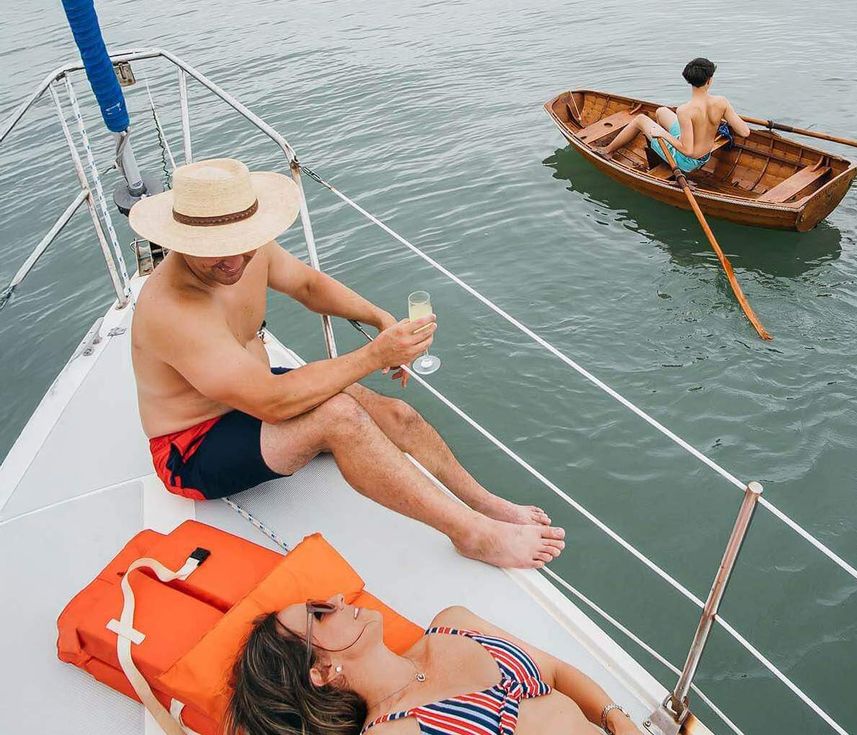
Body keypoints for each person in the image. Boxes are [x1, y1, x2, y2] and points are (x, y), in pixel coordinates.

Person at [128, 158, 564, 569]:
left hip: (253, 393)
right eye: (217, 251)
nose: (236, 262)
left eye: (243, 246)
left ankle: (485, 503)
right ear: (181, 241)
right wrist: (377, 354)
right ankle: (471, 533)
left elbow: (306, 284)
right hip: (194, 446)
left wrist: (378, 319)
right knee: (341, 416)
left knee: (396, 414)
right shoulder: (174, 310)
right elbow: (273, 404)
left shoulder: (243, 247)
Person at [227, 594, 645, 735]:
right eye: (319, 613)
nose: (337, 598)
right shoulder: (395, 731)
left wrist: (618, 721)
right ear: (319, 672)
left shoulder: (452, 624)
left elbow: (555, 671)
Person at [599, 57, 751, 173]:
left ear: (688, 80)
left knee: (640, 119)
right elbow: (745, 131)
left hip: (687, 161)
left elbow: (687, 150)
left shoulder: (685, 110)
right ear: (709, 80)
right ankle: (658, 153)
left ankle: (608, 151)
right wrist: (720, 116)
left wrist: (663, 134)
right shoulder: (722, 102)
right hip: (705, 155)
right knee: (661, 111)